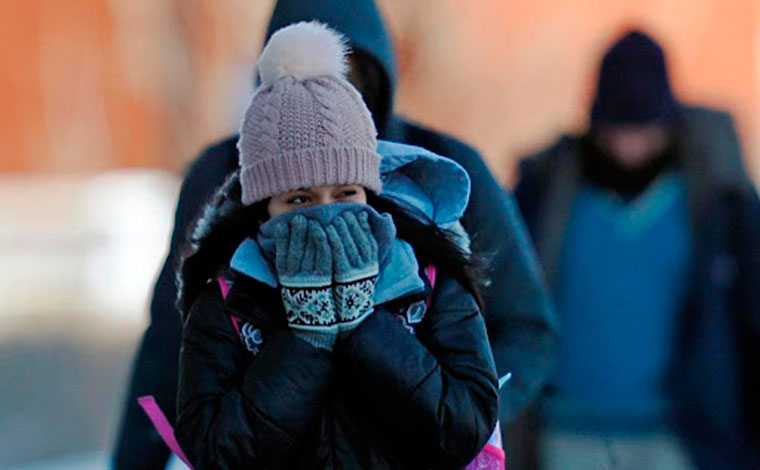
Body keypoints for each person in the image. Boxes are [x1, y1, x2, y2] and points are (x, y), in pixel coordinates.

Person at [113, 0, 557, 468]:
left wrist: (465, 417)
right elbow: (170, 341)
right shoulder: (222, 179)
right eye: (299, 199)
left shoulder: (443, 175)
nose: (323, 101)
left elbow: (527, 328)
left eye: (347, 75)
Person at [173, 22, 499, 469]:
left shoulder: (426, 281)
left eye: (345, 194)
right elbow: (216, 453)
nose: (325, 214)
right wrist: (308, 337)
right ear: (265, 207)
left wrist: (366, 325)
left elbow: (463, 427)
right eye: (300, 199)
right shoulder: (228, 304)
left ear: (369, 191)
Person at [514, 30, 760, 469]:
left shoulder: (718, 202)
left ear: (667, 121)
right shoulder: (547, 191)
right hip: (566, 433)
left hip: (676, 438)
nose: (629, 143)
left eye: (642, 128)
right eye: (617, 127)